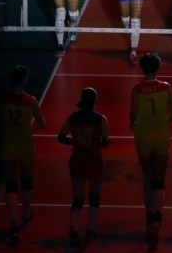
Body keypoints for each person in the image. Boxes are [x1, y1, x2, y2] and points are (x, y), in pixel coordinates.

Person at [130, 53, 172, 248]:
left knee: (147, 177)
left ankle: (149, 217)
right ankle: (158, 217)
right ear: (157, 68)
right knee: (160, 179)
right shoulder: (165, 87)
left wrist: (136, 124)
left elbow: (132, 115)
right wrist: (161, 122)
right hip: (161, 136)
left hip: (143, 137)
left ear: (142, 68)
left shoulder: (137, 89)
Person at [57, 87, 110, 249]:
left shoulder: (73, 117)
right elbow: (106, 141)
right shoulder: (100, 119)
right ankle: (90, 228)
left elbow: (61, 137)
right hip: (94, 161)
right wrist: (97, 142)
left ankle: (73, 227)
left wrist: (76, 142)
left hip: (78, 160)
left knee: (78, 199)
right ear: (95, 101)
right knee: (94, 196)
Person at [0, 65, 46, 246]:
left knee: (11, 186)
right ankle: (26, 213)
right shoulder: (30, 100)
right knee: (27, 181)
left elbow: (0, 122)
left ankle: (14, 223)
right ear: (24, 80)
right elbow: (42, 124)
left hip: (8, 146)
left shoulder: (3, 99)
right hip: (25, 146)